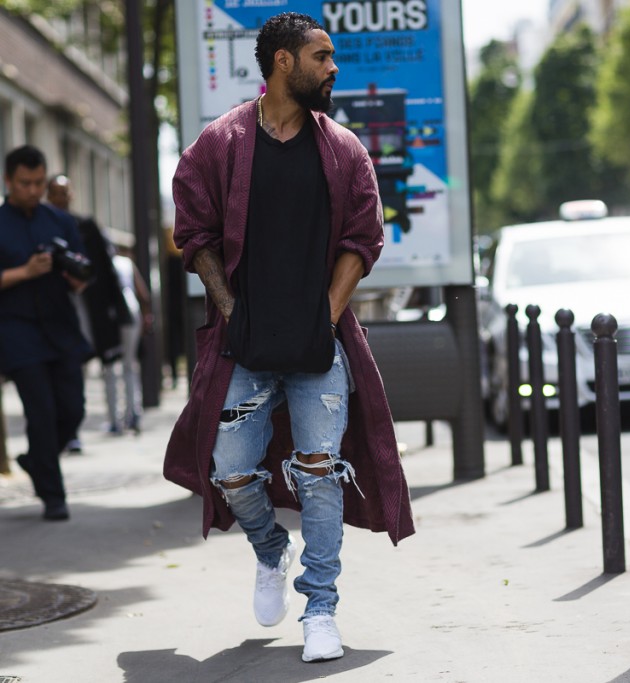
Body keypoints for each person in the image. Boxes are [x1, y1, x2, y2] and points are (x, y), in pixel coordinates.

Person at [164, 12, 414, 664]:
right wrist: (230, 310)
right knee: (231, 470)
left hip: (317, 349)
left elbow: (365, 239)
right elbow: (193, 231)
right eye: (322, 56)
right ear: (282, 63)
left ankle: (321, 607)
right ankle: (272, 550)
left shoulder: (344, 149)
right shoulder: (221, 143)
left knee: (320, 473)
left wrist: (326, 318)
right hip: (242, 347)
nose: (334, 67)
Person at [0, 146, 93, 520]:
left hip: (61, 327)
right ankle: (54, 497)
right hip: (17, 330)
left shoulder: (60, 221)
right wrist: (26, 271)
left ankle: (36, 461)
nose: (34, 190)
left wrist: (76, 277)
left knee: (73, 410)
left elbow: (83, 275)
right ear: (9, 181)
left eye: (39, 182)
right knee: (40, 412)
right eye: (26, 183)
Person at [47, 173, 133, 444]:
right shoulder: (41, 226)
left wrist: (115, 307)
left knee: (110, 363)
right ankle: (72, 432)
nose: (61, 198)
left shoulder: (86, 226)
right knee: (70, 368)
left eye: (65, 192)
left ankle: (117, 420)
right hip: (59, 308)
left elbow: (105, 270)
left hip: (93, 305)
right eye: (56, 192)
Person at [104, 242, 152, 434]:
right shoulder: (127, 263)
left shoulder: (103, 266)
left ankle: (115, 419)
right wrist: (147, 317)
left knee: (110, 368)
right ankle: (134, 413)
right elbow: (144, 294)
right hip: (132, 314)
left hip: (111, 318)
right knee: (129, 365)